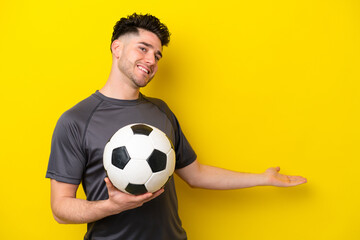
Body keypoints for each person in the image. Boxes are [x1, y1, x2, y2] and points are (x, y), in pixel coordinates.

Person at [46, 13, 307, 240]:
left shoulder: (161, 111)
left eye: (157, 55)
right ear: (117, 48)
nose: (151, 60)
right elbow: (60, 208)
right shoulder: (76, 120)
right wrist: (111, 206)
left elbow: (196, 175)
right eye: (143, 48)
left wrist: (263, 178)